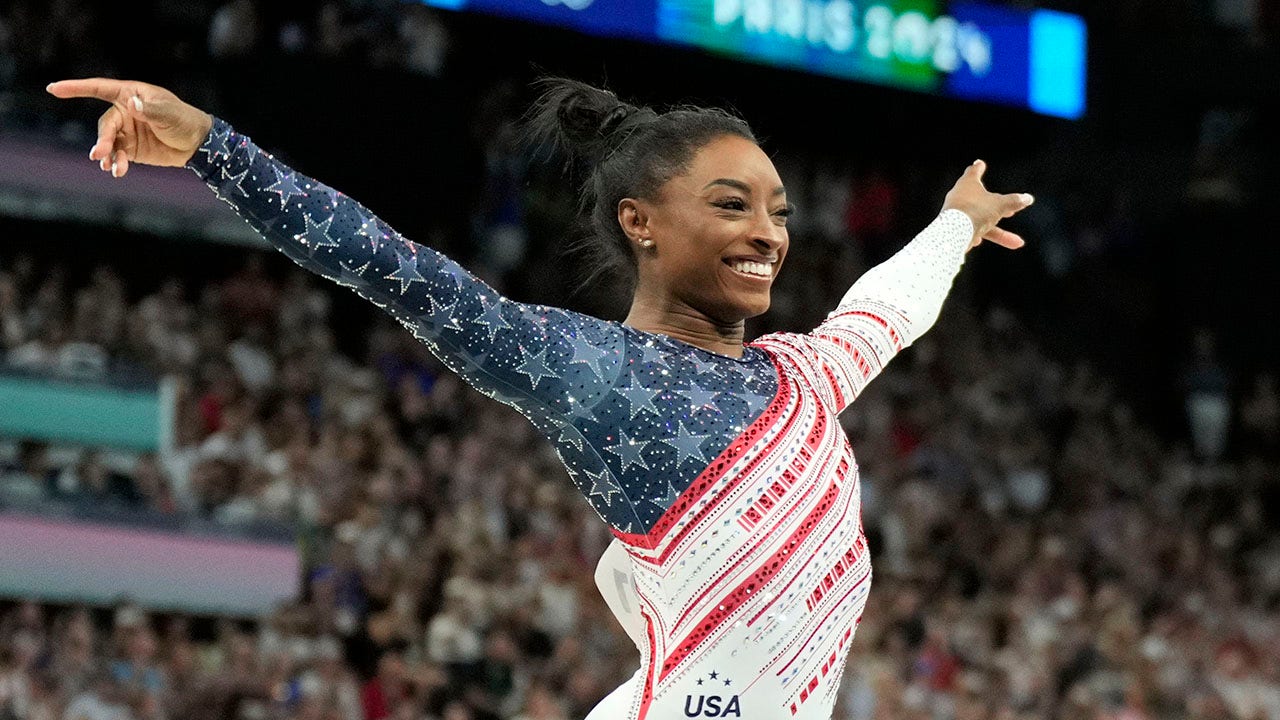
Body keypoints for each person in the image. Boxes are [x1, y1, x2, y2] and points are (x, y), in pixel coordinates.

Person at [46, 76, 1033, 719]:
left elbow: (884, 312)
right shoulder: (596, 374)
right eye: (730, 203)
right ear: (639, 223)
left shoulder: (801, 375)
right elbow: (398, 271)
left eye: (776, 210)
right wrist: (215, 146)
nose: (767, 232)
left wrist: (950, 225)